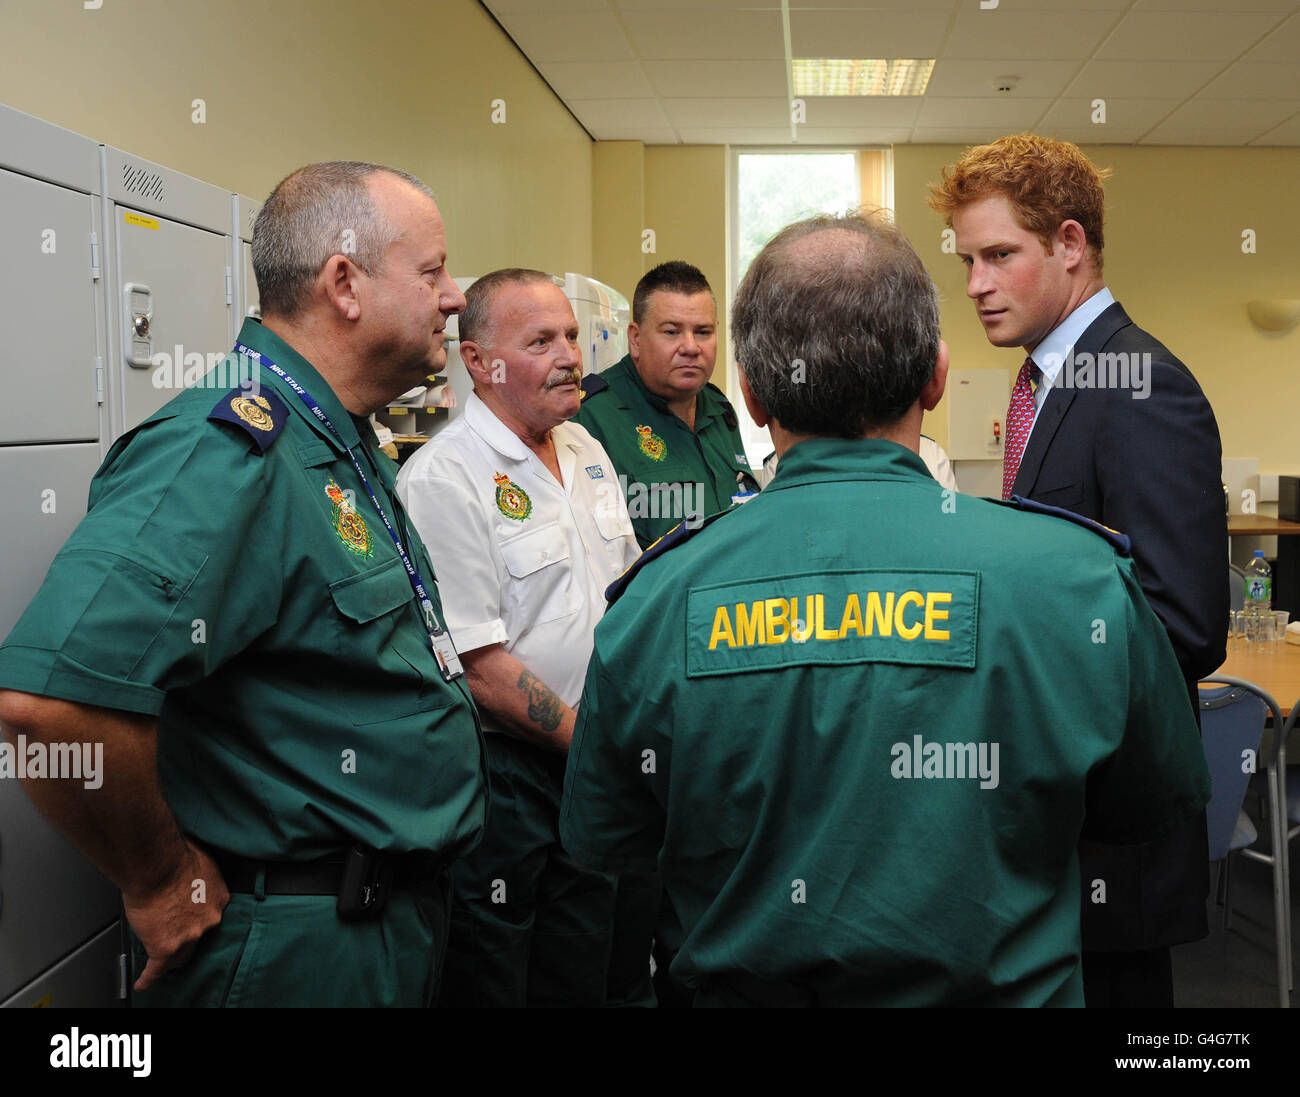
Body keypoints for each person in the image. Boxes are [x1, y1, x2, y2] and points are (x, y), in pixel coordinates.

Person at [558, 211, 1211, 1007]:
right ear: (936, 376)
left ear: (754, 397)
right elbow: (1145, 803)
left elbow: (611, 836)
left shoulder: (655, 602)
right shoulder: (1080, 582)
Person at [0, 162, 487, 1007]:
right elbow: (47, 705)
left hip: (381, 923)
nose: (454, 298)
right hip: (299, 947)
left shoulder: (335, 439)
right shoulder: (225, 449)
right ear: (346, 282)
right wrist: (158, 879)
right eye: (434, 271)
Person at [929, 134, 1228, 1007]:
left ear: (1069, 244)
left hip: (1113, 821)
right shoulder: (1050, 383)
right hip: (1056, 825)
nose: (976, 283)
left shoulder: (1139, 386)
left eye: (999, 256)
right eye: (967, 260)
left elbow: (1184, 624)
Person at [396, 268, 641, 1007]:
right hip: (507, 780)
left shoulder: (587, 450)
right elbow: (480, 667)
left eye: (570, 335)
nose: (570, 355)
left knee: (580, 968)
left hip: (590, 765)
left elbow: (626, 592)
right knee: (496, 975)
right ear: (479, 363)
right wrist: (598, 745)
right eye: (542, 341)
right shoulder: (445, 478)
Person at [574, 261, 759, 551]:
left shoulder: (720, 408)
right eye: (672, 332)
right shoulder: (589, 418)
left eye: (703, 332)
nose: (690, 347)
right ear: (635, 339)